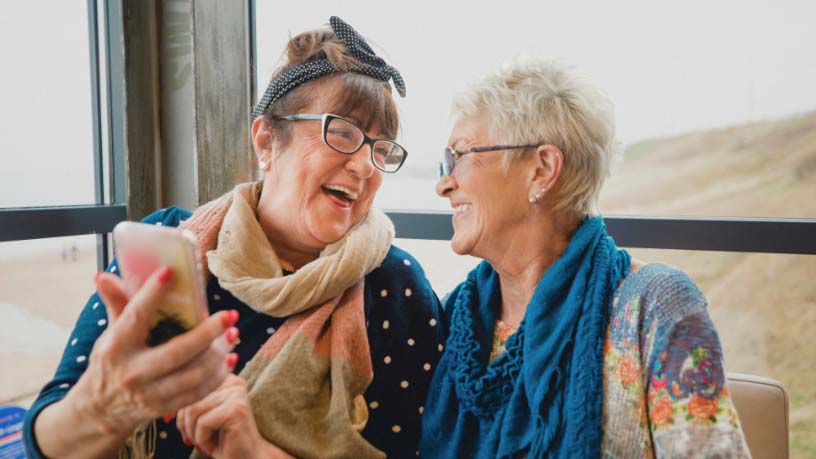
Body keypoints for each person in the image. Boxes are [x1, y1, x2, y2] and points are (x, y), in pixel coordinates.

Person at [24, 17, 444, 459]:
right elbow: (45, 439)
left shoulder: (395, 287)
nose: (365, 167)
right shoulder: (171, 242)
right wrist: (103, 407)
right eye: (341, 133)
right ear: (266, 141)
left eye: (381, 150)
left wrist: (255, 451)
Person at [419, 58, 751, 458]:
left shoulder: (655, 309)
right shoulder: (455, 316)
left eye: (461, 155)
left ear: (542, 169)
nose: (443, 184)